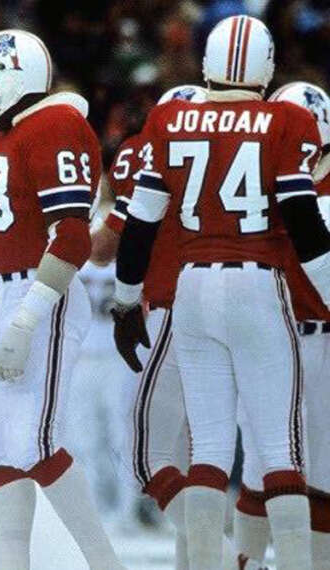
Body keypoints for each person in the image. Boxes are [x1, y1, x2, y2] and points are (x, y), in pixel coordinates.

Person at [112, 15, 328, 569]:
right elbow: (304, 226)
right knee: (280, 453)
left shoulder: (170, 119)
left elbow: (139, 224)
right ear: (267, 66)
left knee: (207, 451)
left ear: (208, 64)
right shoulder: (285, 120)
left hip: (191, 290)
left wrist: (124, 299)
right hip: (257, 286)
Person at [0, 30, 124, 569]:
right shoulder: (16, 133)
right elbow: (9, 248)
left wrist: (25, 320)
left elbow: (70, 238)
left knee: (36, 441)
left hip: (42, 295)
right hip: (6, 291)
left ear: (10, 76)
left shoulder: (57, 124)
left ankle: (105, 563)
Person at [94, 84, 209, 570]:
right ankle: (204, 558)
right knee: (215, 454)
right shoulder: (249, 144)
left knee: (151, 453)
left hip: (171, 309)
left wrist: (55, 237)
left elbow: (105, 248)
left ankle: (222, 557)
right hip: (249, 311)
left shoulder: (146, 152)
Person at [235, 81, 330, 570]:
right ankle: (246, 561)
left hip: (318, 340)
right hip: (272, 335)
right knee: (261, 464)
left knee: (320, 474)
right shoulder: (262, 180)